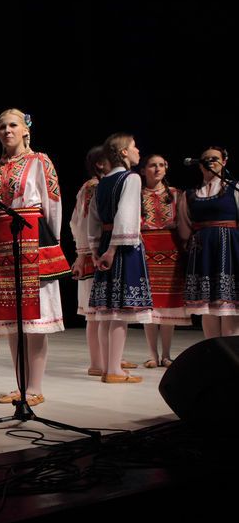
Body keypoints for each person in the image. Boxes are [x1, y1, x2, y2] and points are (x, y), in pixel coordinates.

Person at [0, 109, 68, 406]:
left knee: (35, 321)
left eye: (12, 125)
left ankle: (34, 387)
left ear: (25, 130)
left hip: (32, 237)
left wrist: (52, 242)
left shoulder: (39, 161)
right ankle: (21, 385)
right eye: (2, 126)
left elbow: (53, 202)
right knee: (13, 320)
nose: (7, 130)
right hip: (1, 239)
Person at [87, 133, 152, 383]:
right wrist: (112, 250)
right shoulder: (131, 178)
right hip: (121, 247)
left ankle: (108, 367)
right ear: (124, 152)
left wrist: (96, 249)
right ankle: (114, 370)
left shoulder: (102, 182)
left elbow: (93, 219)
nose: (138, 151)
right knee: (119, 312)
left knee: (107, 311)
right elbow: (126, 215)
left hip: (105, 242)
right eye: (134, 147)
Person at [179, 146, 239, 337]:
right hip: (202, 250)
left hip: (229, 248)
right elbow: (184, 225)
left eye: (215, 158)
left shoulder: (234, 188)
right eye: (206, 159)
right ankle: (212, 349)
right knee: (207, 307)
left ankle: (230, 352)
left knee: (229, 306)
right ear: (199, 165)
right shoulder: (190, 194)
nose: (210, 162)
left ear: (224, 162)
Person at [139, 154, 189, 367]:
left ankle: (166, 354)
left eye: (161, 165)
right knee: (149, 305)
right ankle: (152, 354)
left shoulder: (176, 194)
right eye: (152, 165)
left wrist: (186, 244)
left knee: (168, 304)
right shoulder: (137, 194)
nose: (157, 169)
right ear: (144, 170)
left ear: (166, 169)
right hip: (145, 248)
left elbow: (184, 223)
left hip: (171, 250)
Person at [70, 146, 107, 376]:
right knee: (95, 314)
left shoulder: (93, 186)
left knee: (99, 314)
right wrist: (83, 252)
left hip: (91, 251)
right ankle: (96, 362)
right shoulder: (94, 187)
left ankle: (106, 358)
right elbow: (81, 223)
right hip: (95, 252)